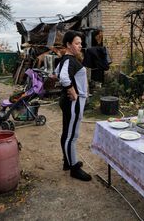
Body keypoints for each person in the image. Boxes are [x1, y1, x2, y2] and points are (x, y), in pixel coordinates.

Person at [54, 30, 91, 181]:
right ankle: (74, 168)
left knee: (67, 133)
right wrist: (71, 90)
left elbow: (56, 72)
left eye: (80, 43)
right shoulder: (69, 59)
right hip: (73, 103)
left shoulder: (66, 59)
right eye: (77, 43)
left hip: (69, 102)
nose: (80, 46)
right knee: (71, 136)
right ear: (68, 44)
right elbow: (63, 77)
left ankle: (67, 161)